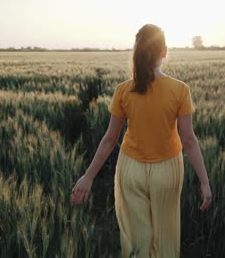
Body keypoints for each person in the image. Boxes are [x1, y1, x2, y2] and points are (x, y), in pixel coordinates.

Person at [71, 24, 212, 258]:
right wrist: (204, 182)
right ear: (164, 52)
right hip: (167, 170)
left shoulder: (124, 90)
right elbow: (188, 139)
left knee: (136, 240)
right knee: (165, 238)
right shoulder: (180, 90)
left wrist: (88, 177)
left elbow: (109, 139)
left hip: (131, 170)